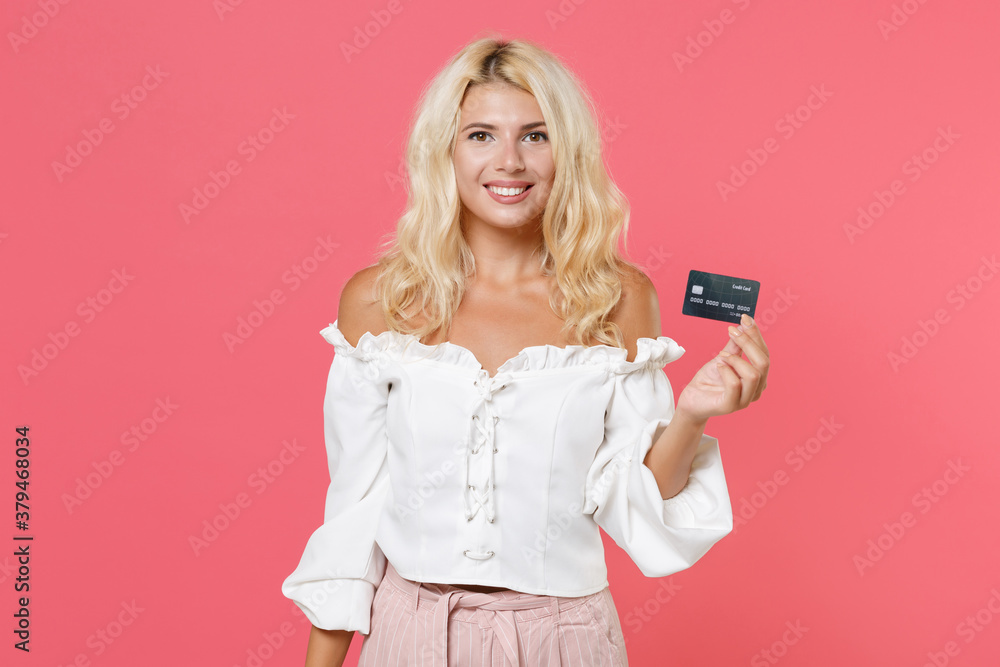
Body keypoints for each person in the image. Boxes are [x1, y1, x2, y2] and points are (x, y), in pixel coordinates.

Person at [282, 34, 770, 667]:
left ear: (568, 153)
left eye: (535, 136)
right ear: (446, 153)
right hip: (408, 637)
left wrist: (693, 414)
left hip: (565, 640)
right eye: (481, 135)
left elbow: (634, 498)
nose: (508, 161)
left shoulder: (618, 300)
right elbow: (353, 515)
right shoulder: (381, 302)